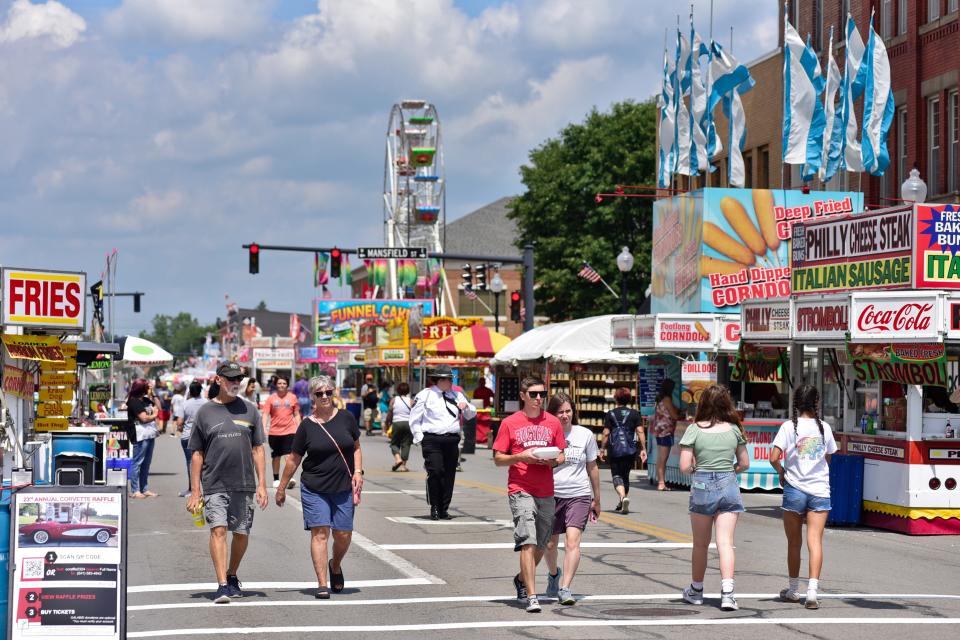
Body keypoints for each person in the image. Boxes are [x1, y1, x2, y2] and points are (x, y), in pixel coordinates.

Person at [186, 361, 269, 604]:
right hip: (215, 483)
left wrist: (263, 484)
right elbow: (197, 454)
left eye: (239, 379)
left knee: (241, 533)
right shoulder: (205, 412)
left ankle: (232, 574)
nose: (236, 383)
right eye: (231, 378)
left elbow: (258, 449)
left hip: (244, 483)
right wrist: (195, 491)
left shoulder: (250, 410)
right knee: (219, 530)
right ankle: (222, 584)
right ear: (218, 380)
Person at [276, 375, 363, 599]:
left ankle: (335, 565)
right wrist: (281, 487)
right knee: (320, 533)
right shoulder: (306, 426)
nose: (324, 396)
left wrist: (358, 472)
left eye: (328, 392)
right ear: (312, 397)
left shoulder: (346, 418)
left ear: (333, 392)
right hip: (314, 487)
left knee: (343, 534)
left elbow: (355, 447)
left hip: (343, 486)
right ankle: (322, 583)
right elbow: (294, 459)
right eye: (319, 393)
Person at [493, 377, 566, 614]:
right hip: (520, 487)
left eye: (541, 394)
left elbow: (562, 454)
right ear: (523, 396)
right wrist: (521, 457)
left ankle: (521, 579)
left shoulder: (553, 422)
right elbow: (498, 459)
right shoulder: (510, 423)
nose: (538, 399)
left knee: (542, 544)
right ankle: (532, 596)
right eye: (533, 394)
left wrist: (552, 461)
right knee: (528, 540)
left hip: (546, 489)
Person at [678, 384, 749, 612]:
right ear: (726, 404)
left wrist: (699, 468)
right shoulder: (734, 430)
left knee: (700, 543)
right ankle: (728, 594)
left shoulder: (695, 429)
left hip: (702, 484)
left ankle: (696, 590)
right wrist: (730, 472)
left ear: (703, 403)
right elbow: (745, 463)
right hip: (728, 482)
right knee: (726, 542)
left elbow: (684, 466)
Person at [770, 384, 838, 610]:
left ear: (796, 403)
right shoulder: (825, 428)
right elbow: (828, 458)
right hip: (819, 490)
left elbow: (773, 457)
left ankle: (792, 590)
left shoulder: (789, 427)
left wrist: (782, 472)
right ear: (817, 402)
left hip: (794, 489)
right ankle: (812, 592)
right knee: (815, 541)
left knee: (794, 543)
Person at [543, 392, 599, 606]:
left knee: (572, 543)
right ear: (553, 414)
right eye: (560, 412)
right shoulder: (546, 434)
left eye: (568, 411)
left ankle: (565, 588)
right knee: (549, 544)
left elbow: (592, 467)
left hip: (579, 494)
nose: (565, 416)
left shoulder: (585, 434)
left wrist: (597, 499)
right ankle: (553, 574)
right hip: (552, 493)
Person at [410, 365, 476, 520]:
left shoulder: (456, 394)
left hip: (451, 440)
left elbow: (470, 414)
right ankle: (434, 506)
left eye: (450, 379)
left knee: (449, 475)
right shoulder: (425, 395)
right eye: (447, 379)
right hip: (432, 439)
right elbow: (414, 419)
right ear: (438, 380)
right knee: (436, 471)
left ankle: (444, 508)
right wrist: (420, 438)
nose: (449, 382)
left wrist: (466, 406)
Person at [599, 388, 646, 514]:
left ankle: (622, 497)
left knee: (616, 475)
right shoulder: (635, 414)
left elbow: (606, 433)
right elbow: (640, 431)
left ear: (616, 398)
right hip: (630, 450)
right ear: (629, 399)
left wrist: (602, 449)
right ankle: (622, 501)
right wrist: (643, 449)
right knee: (625, 476)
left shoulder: (611, 414)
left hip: (615, 450)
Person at [262, 375, 302, 489]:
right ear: (276, 385)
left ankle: (288, 477)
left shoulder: (293, 397)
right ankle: (276, 479)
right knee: (276, 456)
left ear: (287, 385)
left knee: (289, 455)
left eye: (284, 383)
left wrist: (299, 427)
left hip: (290, 430)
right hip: (274, 432)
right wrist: (264, 427)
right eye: (279, 383)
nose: (281, 385)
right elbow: (265, 413)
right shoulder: (271, 398)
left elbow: (297, 414)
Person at [126, 378, 160, 499]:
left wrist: (154, 393)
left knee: (146, 463)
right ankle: (135, 490)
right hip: (139, 435)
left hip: (149, 434)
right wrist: (155, 414)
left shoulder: (145, 400)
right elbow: (144, 418)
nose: (148, 389)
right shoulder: (134, 402)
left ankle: (144, 488)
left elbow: (159, 407)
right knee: (138, 462)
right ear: (141, 388)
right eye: (147, 387)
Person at [651, 379, 681, 491]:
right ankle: (661, 483)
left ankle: (661, 482)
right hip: (666, 431)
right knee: (663, 458)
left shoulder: (660, 398)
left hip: (660, 430)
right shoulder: (667, 399)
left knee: (661, 458)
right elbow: (674, 416)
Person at [178, 381, 206, 497]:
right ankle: (206, 489)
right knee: (204, 463)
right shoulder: (206, 403)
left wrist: (182, 426)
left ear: (190, 391)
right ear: (201, 390)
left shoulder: (185, 404)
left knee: (190, 462)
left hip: (187, 435)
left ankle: (193, 489)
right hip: (203, 436)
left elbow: (179, 422)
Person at [385, 382, 414, 472]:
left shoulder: (394, 400)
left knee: (394, 443)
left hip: (397, 423)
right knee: (406, 444)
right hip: (408, 423)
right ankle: (403, 466)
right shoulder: (411, 401)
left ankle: (398, 460)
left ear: (398, 390)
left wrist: (387, 423)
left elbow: (390, 413)